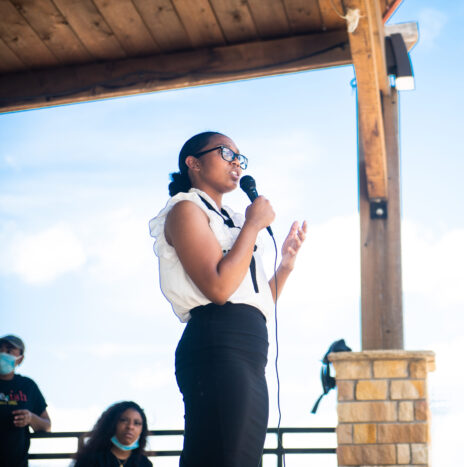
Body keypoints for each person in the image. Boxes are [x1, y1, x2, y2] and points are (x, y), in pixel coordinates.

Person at [149, 131, 307, 466]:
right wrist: (253, 226)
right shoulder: (185, 210)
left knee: (243, 457)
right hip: (217, 342)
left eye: (240, 158)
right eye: (225, 153)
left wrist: (286, 265)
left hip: (251, 349)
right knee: (222, 457)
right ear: (193, 163)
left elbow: (255, 302)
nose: (237, 162)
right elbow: (219, 290)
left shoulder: (234, 220)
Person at [0, 334, 51, 467]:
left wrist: (30, 418)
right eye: (0, 349)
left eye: (9, 350)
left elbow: (47, 426)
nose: (2, 353)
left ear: (20, 359)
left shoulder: (28, 386)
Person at [73, 401, 152, 467]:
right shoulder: (89, 460)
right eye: (123, 420)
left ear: (142, 430)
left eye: (137, 423)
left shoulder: (144, 463)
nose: (130, 426)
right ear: (112, 423)